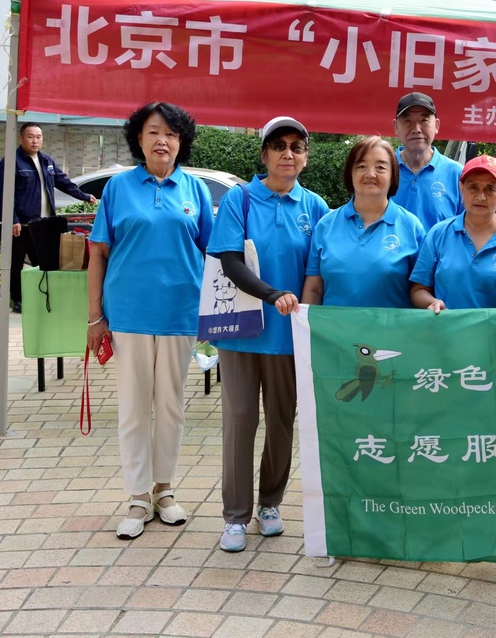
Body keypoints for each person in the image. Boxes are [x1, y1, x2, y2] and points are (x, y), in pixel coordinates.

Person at [86, 103, 213, 540]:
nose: (163, 140)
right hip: (129, 314)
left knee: (171, 406)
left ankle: (165, 489)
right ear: (138, 139)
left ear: (181, 142)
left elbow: (213, 256)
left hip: (180, 314)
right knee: (134, 408)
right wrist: (94, 317)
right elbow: (98, 253)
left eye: (172, 134)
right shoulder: (118, 188)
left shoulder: (195, 190)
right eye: (154, 132)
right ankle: (138, 496)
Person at [208, 116, 330, 552]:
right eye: (279, 146)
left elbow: (322, 269)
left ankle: (271, 504)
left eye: (296, 147)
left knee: (281, 421)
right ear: (264, 154)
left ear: (305, 157)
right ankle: (235, 516)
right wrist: (272, 293)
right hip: (242, 331)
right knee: (241, 418)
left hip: (289, 335)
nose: (287, 154)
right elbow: (229, 260)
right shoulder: (240, 199)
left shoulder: (315, 207)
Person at [301, 136, 425, 308]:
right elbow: (314, 290)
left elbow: (421, 289)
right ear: (350, 173)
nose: (370, 174)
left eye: (381, 167)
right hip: (334, 326)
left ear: (393, 175)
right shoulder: (325, 226)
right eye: (361, 166)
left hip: (391, 326)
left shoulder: (411, 227)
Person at [409, 155, 496, 311]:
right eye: (473, 187)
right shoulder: (438, 234)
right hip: (445, 326)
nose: (481, 197)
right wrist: (432, 303)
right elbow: (418, 290)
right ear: (461, 189)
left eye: (490, 189)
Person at [1, 122, 95, 312]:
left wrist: (84, 196)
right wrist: (13, 219)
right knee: (16, 265)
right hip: (22, 225)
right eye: (30, 137)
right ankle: (18, 300)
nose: (35, 141)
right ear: (20, 138)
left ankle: (41, 297)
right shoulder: (11, 162)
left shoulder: (46, 160)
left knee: (44, 263)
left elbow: (64, 182)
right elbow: (4, 193)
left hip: (43, 225)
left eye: (39, 137)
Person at [392, 91, 463, 229]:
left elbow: (468, 228)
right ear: (395, 127)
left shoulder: (457, 174)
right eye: (407, 121)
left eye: (424, 120)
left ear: (436, 125)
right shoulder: (383, 170)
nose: (416, 129)